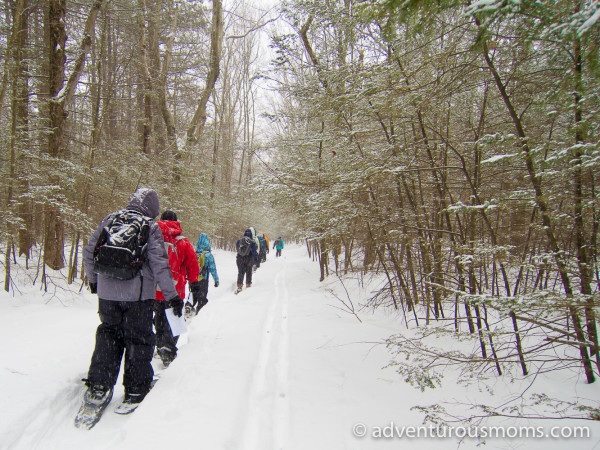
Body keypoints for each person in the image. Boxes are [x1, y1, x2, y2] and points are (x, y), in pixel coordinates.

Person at [81, 188, 183, 412]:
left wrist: (94, 282)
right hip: (138, 297)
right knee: (139, 339)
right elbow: (159, 265)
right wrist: (171, 296)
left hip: (107, 295)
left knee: (108, 335)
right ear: (153, 209)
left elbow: (89, 252)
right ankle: (136, 389)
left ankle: (99, 386)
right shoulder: (150, 226)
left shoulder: (110, 219)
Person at [154, 210, 201, 367]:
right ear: (176, 222)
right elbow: (192, 265)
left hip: (155, 288)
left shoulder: (152, 238)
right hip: (175, 288)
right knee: (174, 318)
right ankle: (167, 346)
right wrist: (194, 283)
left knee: (159, 316)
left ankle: (160, 343)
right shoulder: (183, 242)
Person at [191, 232, 220, 315]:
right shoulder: (208, 255)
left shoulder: (194, 253)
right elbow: (213, 269)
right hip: (203, 279)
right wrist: (216, 280)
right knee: (202, 297)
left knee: (194, 295)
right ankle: (200, 314)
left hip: (193, 279)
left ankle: (190, 308)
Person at [235, 228, 259, 293]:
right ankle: (248, 285)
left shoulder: (239, 241)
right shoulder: (252, 242)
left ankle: (239, 286)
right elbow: (254, 252)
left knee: (240, 272)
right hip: (249, 259)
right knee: (249, 272)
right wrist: (256, 259)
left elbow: (237, 249)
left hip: (239, 259)